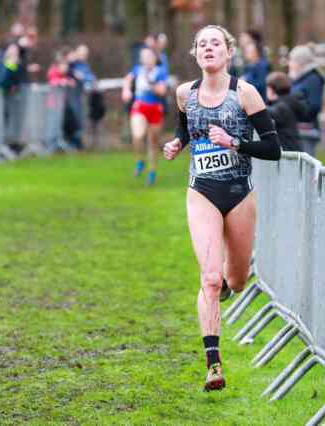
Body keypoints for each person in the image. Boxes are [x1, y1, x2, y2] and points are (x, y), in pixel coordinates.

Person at [162, 25, 280, 391]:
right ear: (195, 55)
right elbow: (187, 128)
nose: (208, 48)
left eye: (216, 43)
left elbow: (273, 148)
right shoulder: (185, 94)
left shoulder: (245, 93)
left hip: (239, 192)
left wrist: (235, 142)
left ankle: (229, 284)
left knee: (237, 280)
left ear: (228, 53)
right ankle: (213, 364)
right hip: (202, 191)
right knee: (209, 278)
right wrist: (177, 144)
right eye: (202, 44)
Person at [122, 47, 168, 185]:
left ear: (154, 58)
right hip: (140, 106)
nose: (146, 59)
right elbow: (127, 79)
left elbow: (162, 91)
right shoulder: (137, 69)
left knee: (153, 142)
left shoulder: (160, 71)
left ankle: (152, 171)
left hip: (155, 108)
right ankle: (140, 160)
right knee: (138, 134)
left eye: (148, 56)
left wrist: (150, 83)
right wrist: (126, 90)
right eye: (143, 57)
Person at [288, 45, 325, 157]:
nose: (289, 63)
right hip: (296, 129)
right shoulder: (298, 78)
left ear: (300, 62)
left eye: (292, 60)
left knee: (307, 169)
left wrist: (293, 104)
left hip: (307, 131)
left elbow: (314, 106)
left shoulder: (313, 79)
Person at [265, 71, 305, 151]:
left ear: (272, 89)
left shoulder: (280, 108)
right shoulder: (290, 103)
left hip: (287, 151)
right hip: (293, 149)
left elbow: (266, 113)